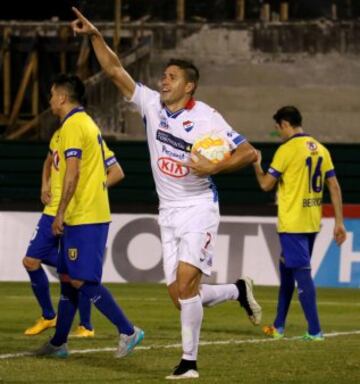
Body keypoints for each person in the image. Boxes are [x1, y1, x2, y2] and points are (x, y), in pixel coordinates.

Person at [71, 7, 262, 379]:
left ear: (188, 86)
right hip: (168, 211)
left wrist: (213, 167)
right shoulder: (151, 106)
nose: (163, 81)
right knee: (180, 296)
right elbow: (114, 71)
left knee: (188, 282)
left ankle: (189, 363)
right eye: (163, 76)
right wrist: (95, 35)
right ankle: (236, 291)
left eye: (171, 77)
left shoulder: (207, 118)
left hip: (198, 206)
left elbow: (250, 151)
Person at [35, 73, 144, 358]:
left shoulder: (73, 125)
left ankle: (128, 330)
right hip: (83, 213)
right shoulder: (85, 124)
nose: (50, 101)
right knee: (69, 277)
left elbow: (73, 173)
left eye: (51, 95)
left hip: (85, 216)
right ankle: (58, 343)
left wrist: (59, 213)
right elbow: (104, 171)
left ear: (61, 97)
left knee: (82, 280)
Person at [253, 106, 347, 341]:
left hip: (292, 224)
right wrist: (339, 222)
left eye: (278, 129)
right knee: (287, 271)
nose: (279, 134)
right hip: (312, 221)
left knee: (302, 275)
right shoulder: (321, 150)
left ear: (286, 124)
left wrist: (256, 164)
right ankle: (278, 327)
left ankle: (315, 331)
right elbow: (333, 186)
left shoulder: (286, 150)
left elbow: (266, 185)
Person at [23, 128, 124, 337]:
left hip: (76, 212)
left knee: (75, 274)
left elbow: (117, 172)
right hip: (53, 211)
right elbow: (49, 160)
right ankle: (49, 316)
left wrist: (93, 191)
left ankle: (85, 325)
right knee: (32, 261)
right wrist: (45, 185)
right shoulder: (59, 134)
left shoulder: (89, 138)